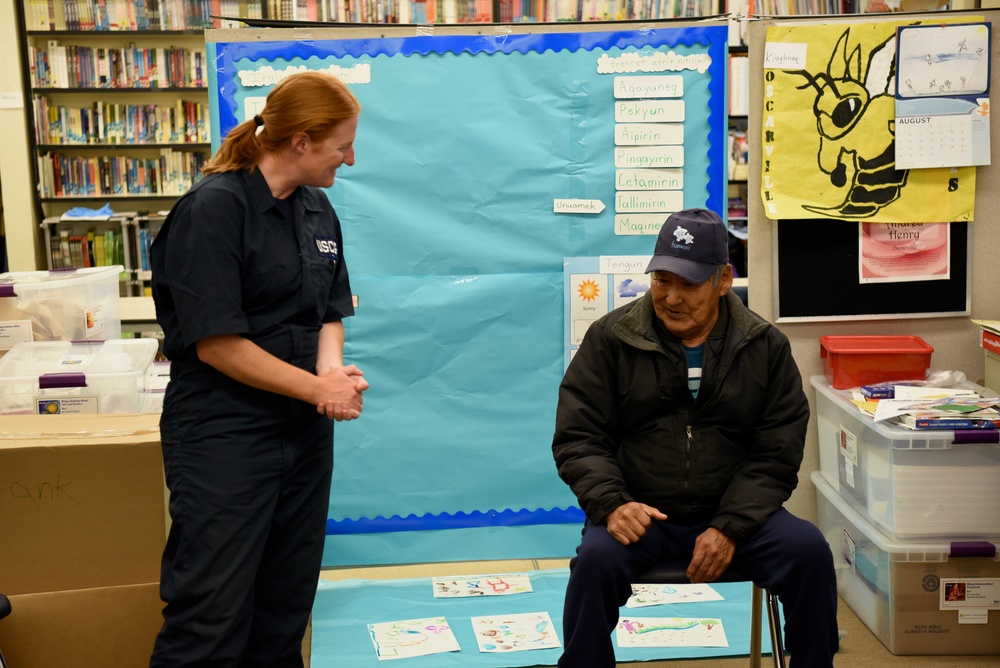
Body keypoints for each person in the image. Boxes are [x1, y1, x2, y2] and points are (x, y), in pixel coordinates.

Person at [552, 208, 838, 667]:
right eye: (662, 279)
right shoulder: (611, 339)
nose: (671, 297)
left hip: (738, 517)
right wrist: (612, 503)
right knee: (594, 564)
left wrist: (729, 527)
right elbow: (579, 435)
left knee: (809, 553)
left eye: (688, 284)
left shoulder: (764, 347)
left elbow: (777, 451)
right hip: (642, 514)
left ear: (723, 279)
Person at [149, 71, 368, 667]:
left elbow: (328, 310)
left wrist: (332, 376)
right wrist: (319, 388)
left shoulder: (317, 209)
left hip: (302, 431)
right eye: (342, 144)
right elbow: (218, 343)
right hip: (224, 432)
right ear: (300, 141)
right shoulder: (213, 210)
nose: (350, 158)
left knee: (285, 604)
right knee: (212, 610)